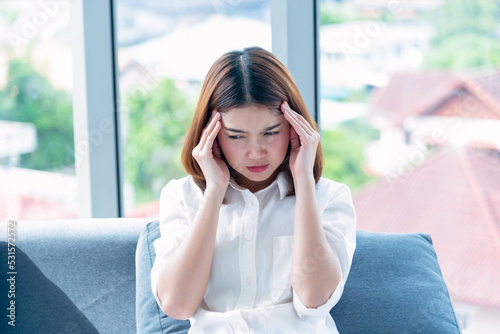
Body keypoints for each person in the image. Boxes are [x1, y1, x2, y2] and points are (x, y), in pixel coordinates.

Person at [150, 46, 356, 333]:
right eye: (236, 136)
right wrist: (214, 192)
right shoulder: (182, 197)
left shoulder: (329, 198)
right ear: (211, 133)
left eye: (271, 132)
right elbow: (177, 305)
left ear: (295, 127)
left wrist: (304, 181)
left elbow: (314, 300)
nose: (255, 152)